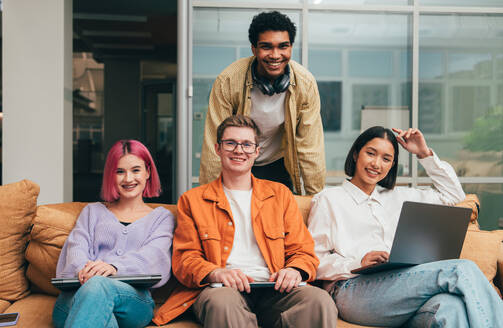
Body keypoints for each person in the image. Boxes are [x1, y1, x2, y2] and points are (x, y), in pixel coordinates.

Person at [307, 126, 503, 327]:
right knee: (462, 269)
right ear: (356, 154)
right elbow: (313, 260)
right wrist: (358, 262)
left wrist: (424, 154)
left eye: (386, 159)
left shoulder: (400, 197)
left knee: (450, 307)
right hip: (353, 290)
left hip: (403, 288)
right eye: (371, 153)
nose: (376, 164)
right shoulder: (329, 199)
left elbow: (455, 197)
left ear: (392, 165)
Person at [153, 115, 337, 328]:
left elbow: (303, 251)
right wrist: (216, 272)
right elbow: (186, 259)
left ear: (256, 152)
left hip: (275, 289)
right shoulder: (193, 200)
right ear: (217, 149)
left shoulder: (280, 195)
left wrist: (294, 270)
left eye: (247, 144)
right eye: (230, 143)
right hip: (223, 289)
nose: (239, 150)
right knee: (222, 303)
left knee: (319, 301)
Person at [199, 11, 325, 195]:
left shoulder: (305, 84)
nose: (275, 55)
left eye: (283, 46)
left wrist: (317, 199)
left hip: (278, 164)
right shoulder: (228, 80)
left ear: (291, 47)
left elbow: (311, 147)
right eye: (266, 47)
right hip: (238, 161)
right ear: (254, 49)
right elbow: (214, 145)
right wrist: (207, 198)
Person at [52, 140, 175, 328]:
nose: (128, 179)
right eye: (120, 171)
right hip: (74, 297)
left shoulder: (161, 218)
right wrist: (84, 271)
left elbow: (154, 257)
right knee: (101, 313)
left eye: (136, 170)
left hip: (132, 303)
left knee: (97, 286)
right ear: (111, 175)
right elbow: (76, 250)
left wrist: (114, 267)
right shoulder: (92, 212)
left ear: (148, 172)